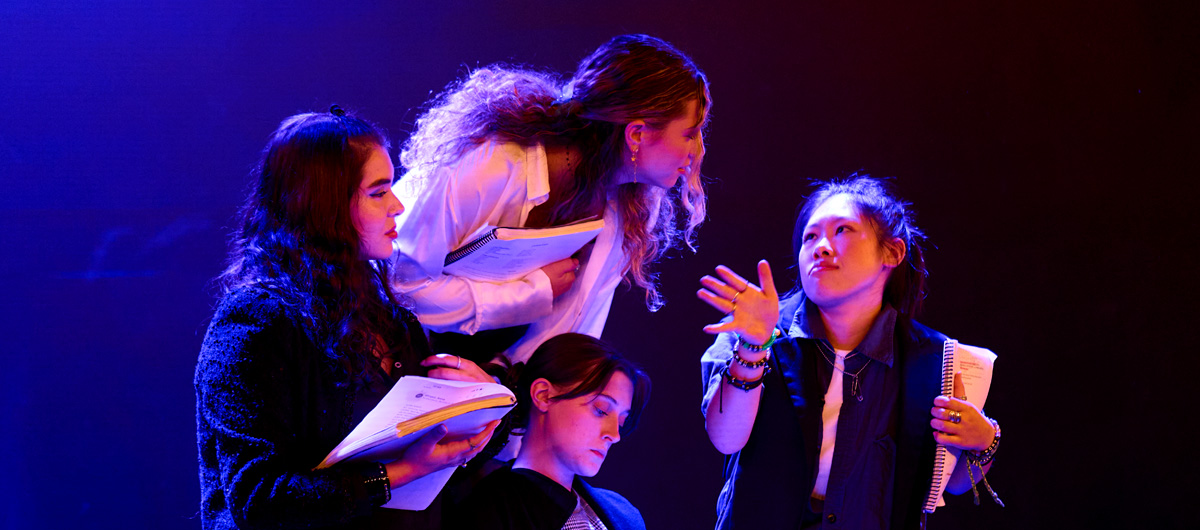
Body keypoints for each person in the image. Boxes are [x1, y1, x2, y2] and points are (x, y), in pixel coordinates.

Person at [195, 107, 500, 529]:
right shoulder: (256, 321)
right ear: (325, 206)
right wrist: (401, 472)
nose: (397, 205)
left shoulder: (391, 317)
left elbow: (432, 456)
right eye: (378, 193)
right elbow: (259, 499)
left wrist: (482, 405)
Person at [697, 176, 1003, 529]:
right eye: (810, 236)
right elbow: (725, 437)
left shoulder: (934, 359)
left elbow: (952, 482)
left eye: (843, 230)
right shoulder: (758, 330)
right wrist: (753, 346)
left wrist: (985, 443)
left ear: (893, 253)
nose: (821, 247)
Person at [391, 34, 711, 365]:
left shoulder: (632, 204)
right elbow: (403, 286)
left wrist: (505, 388)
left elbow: (570, 334)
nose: (698, 151)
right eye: (689, 134)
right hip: (387, 350)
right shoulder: (492, 164)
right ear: (637, 134)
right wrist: (532, 293)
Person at [452, 333, 651, 530]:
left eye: (621, 422)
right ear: (544, 395)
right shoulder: (491, 510)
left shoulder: (624, 514)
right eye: (601, 410)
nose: (614, 435)